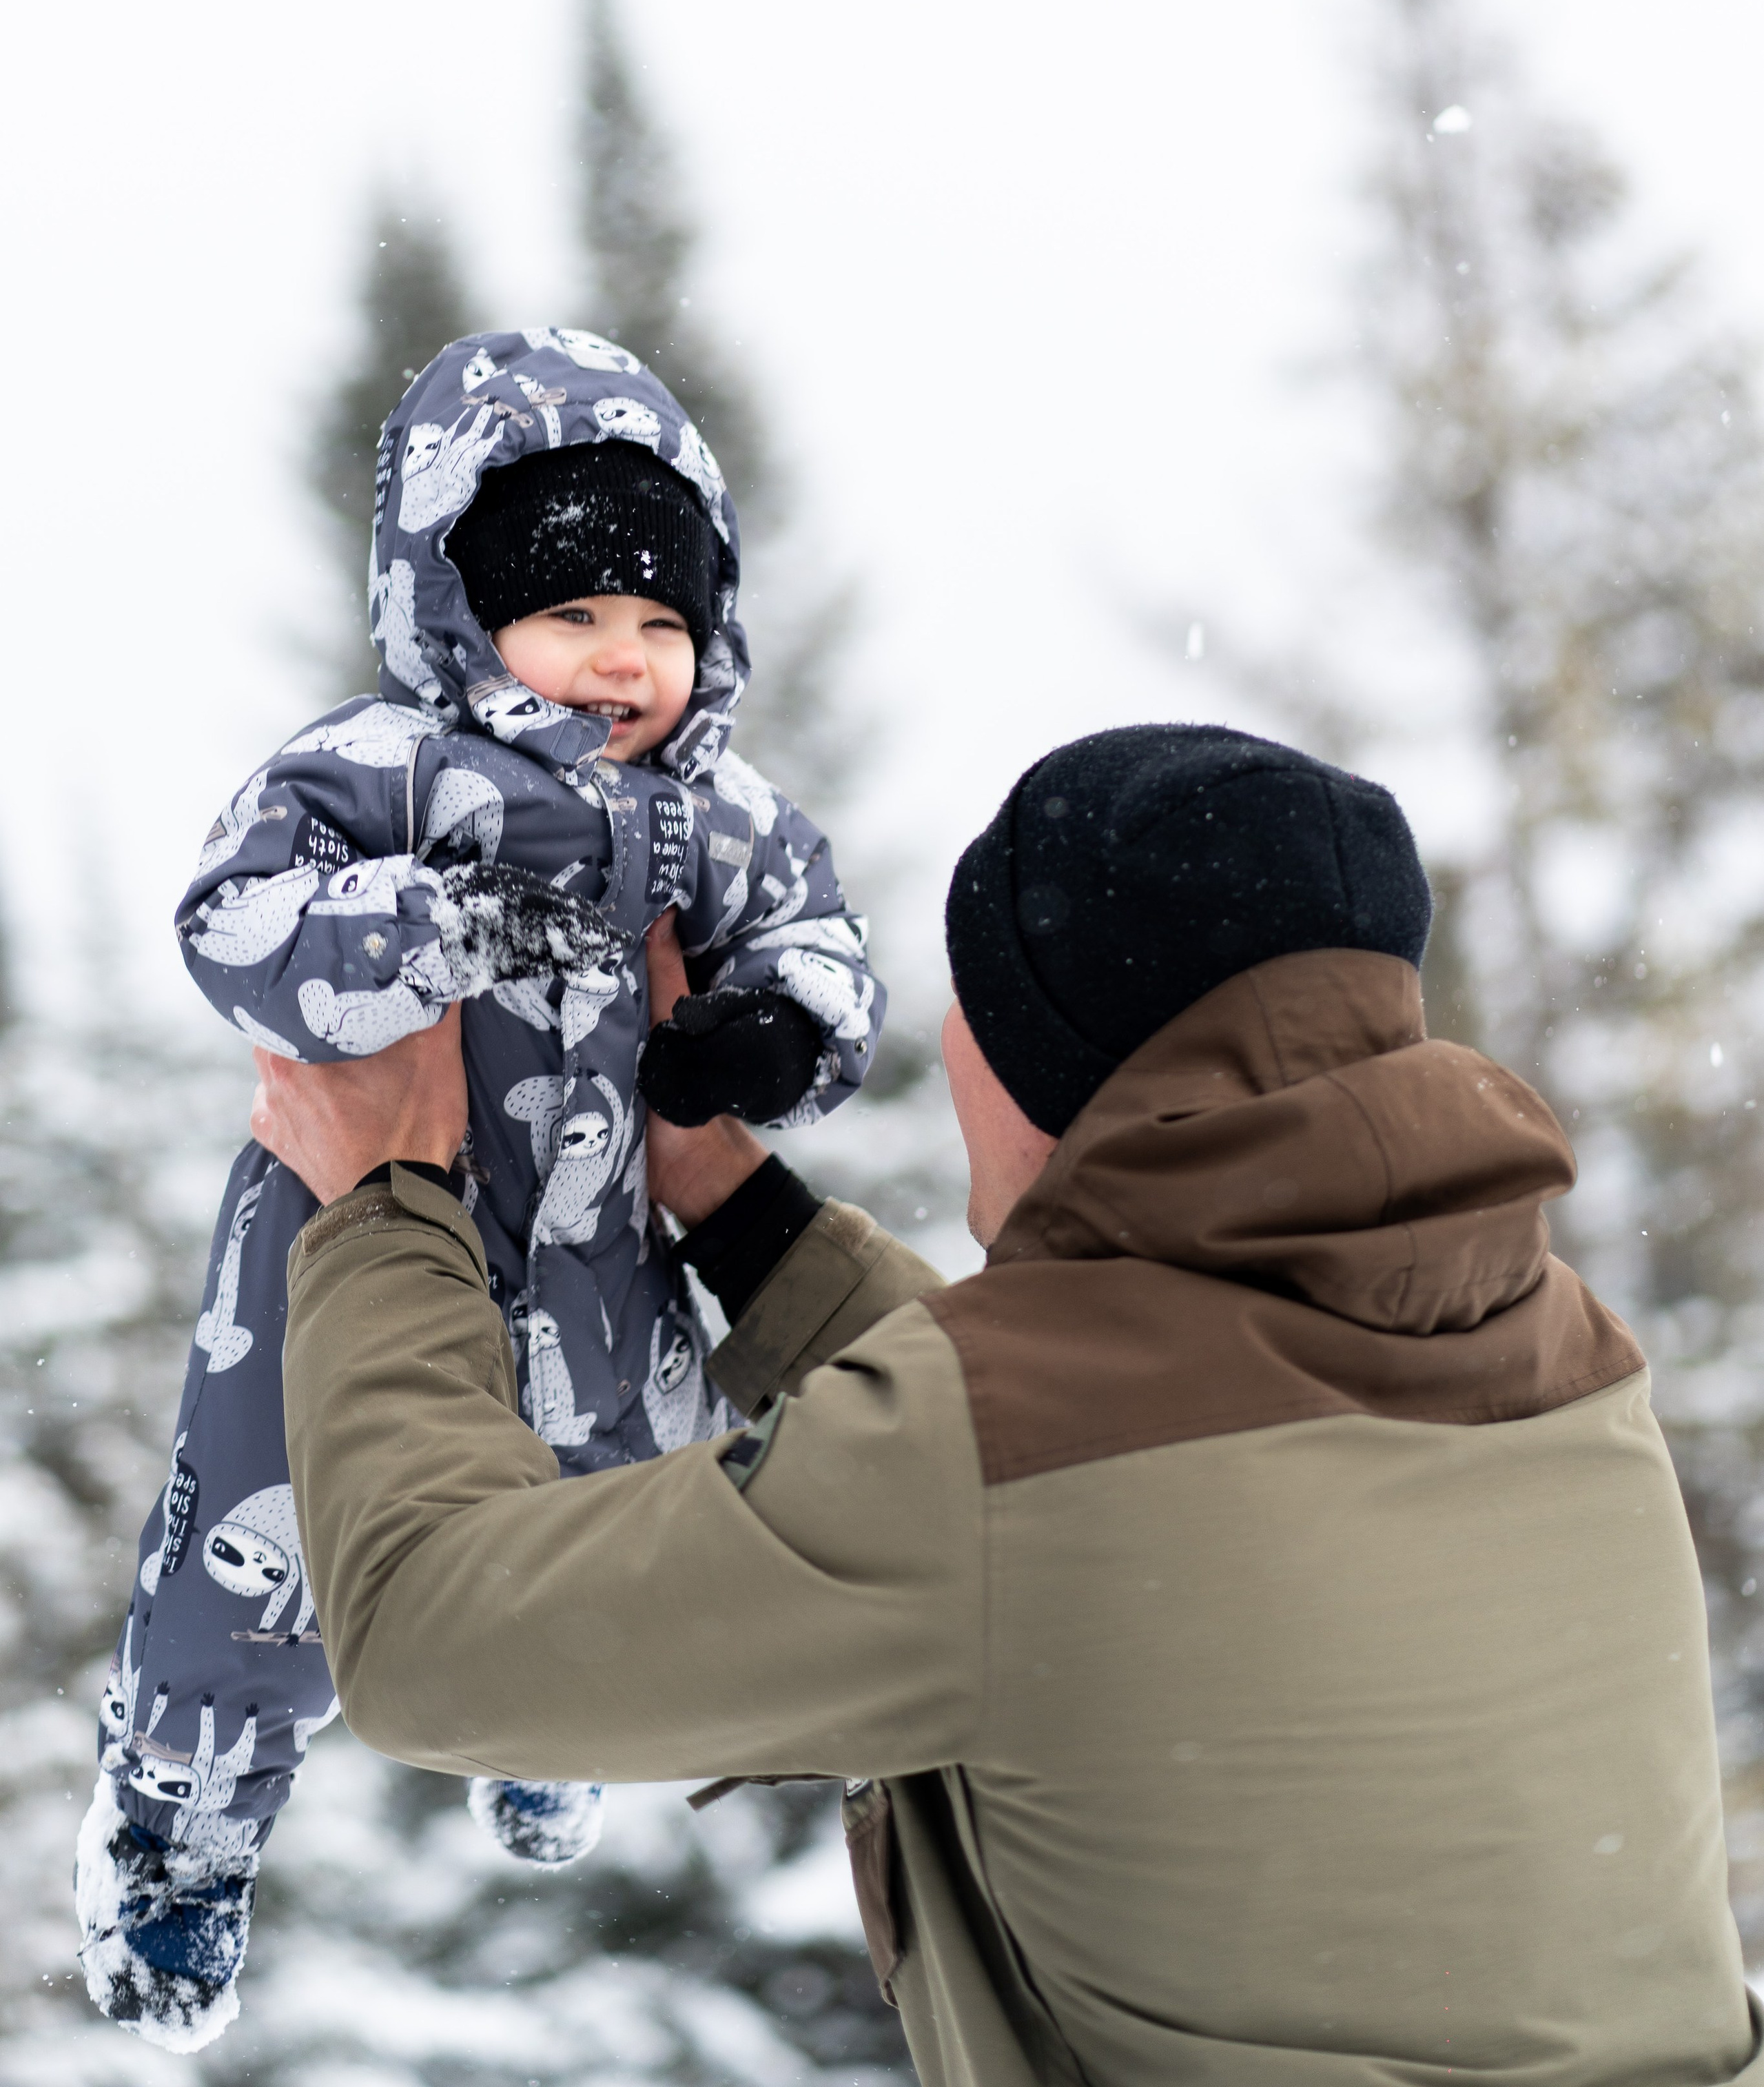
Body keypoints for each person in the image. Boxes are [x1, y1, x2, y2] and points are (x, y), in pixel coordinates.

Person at [179, 728, 1764, 2081]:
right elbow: (1110, 1483)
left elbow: (429, 1636)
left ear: (1039, 1066)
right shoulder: (1558, 1352)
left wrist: (385, 1196)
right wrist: (733, 1211)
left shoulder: (995, 1468)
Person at [76, 327, 883, 2050]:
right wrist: (431, 929)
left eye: (662, 622)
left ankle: (551, 1726)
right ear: (460, 607)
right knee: (258, 1563)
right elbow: (236, 922)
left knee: (602, 1519)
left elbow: (827, 951)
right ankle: (179, 1831)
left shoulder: (716, 818)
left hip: (602, 1276)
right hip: (339, 1237)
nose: (622, 659)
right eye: (576, 614)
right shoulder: (381, 772)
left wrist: (761, 1037)